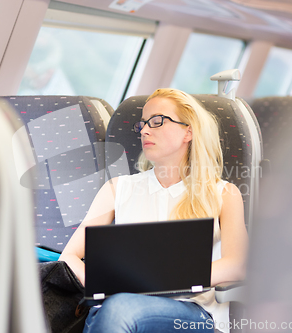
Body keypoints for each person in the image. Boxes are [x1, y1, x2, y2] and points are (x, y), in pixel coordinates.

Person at [59, 88, 248, 333]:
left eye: (157, 121)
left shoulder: (224, 193)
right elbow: (69, 256)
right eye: (143, 124)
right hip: (118, 303)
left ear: (188, 131)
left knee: (119, 309)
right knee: (113, 307)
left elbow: (237, 265)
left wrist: (163, 279)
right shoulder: (117, 189)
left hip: (190, 312)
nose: (145, 130)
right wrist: (103, 286)